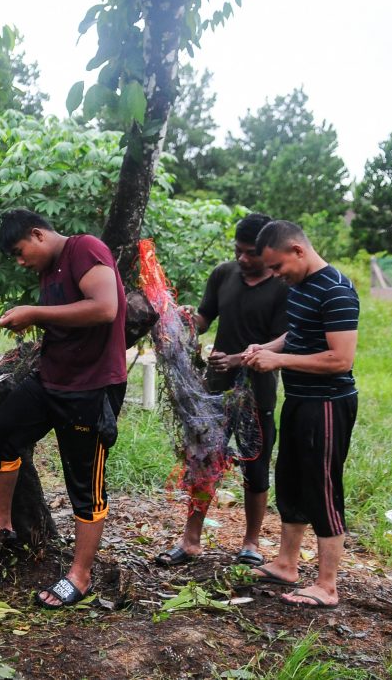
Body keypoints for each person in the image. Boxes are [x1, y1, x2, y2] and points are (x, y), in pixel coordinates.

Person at [0, 209, 126, 610]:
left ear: (38, 234)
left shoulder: (86, 248)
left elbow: (105, 308)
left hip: (91, 389)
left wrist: (34, 313)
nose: (19, 261)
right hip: (51, 381)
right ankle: (0, 519)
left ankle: (79, 577)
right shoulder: (50, 270)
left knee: (84, 485)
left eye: (19, 251)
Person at [155, 214, 289, 568]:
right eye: (238, 251)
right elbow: (204, 318)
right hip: (213, 393)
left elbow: (279, 346)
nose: (243, 259)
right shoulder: (223, 274)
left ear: (268, 253)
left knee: (255, 469)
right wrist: (183, 321)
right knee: (203, 462)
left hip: (256, 393)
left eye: (251, 254)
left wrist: (236, 360)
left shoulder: (283, 286)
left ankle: (251, 543)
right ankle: (191, 539)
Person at [242, 220, 359, 609]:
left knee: (322, 490)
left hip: (326, 404)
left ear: (298, 250)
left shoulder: (337, 290)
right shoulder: (300, 286)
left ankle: (327, 586)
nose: (275, 276)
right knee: (290, 480)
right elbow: (297, 334)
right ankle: (286, 564)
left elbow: (341, 359)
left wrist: (279, 360)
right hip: (298, 398)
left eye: (277, 267)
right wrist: (266, 347)